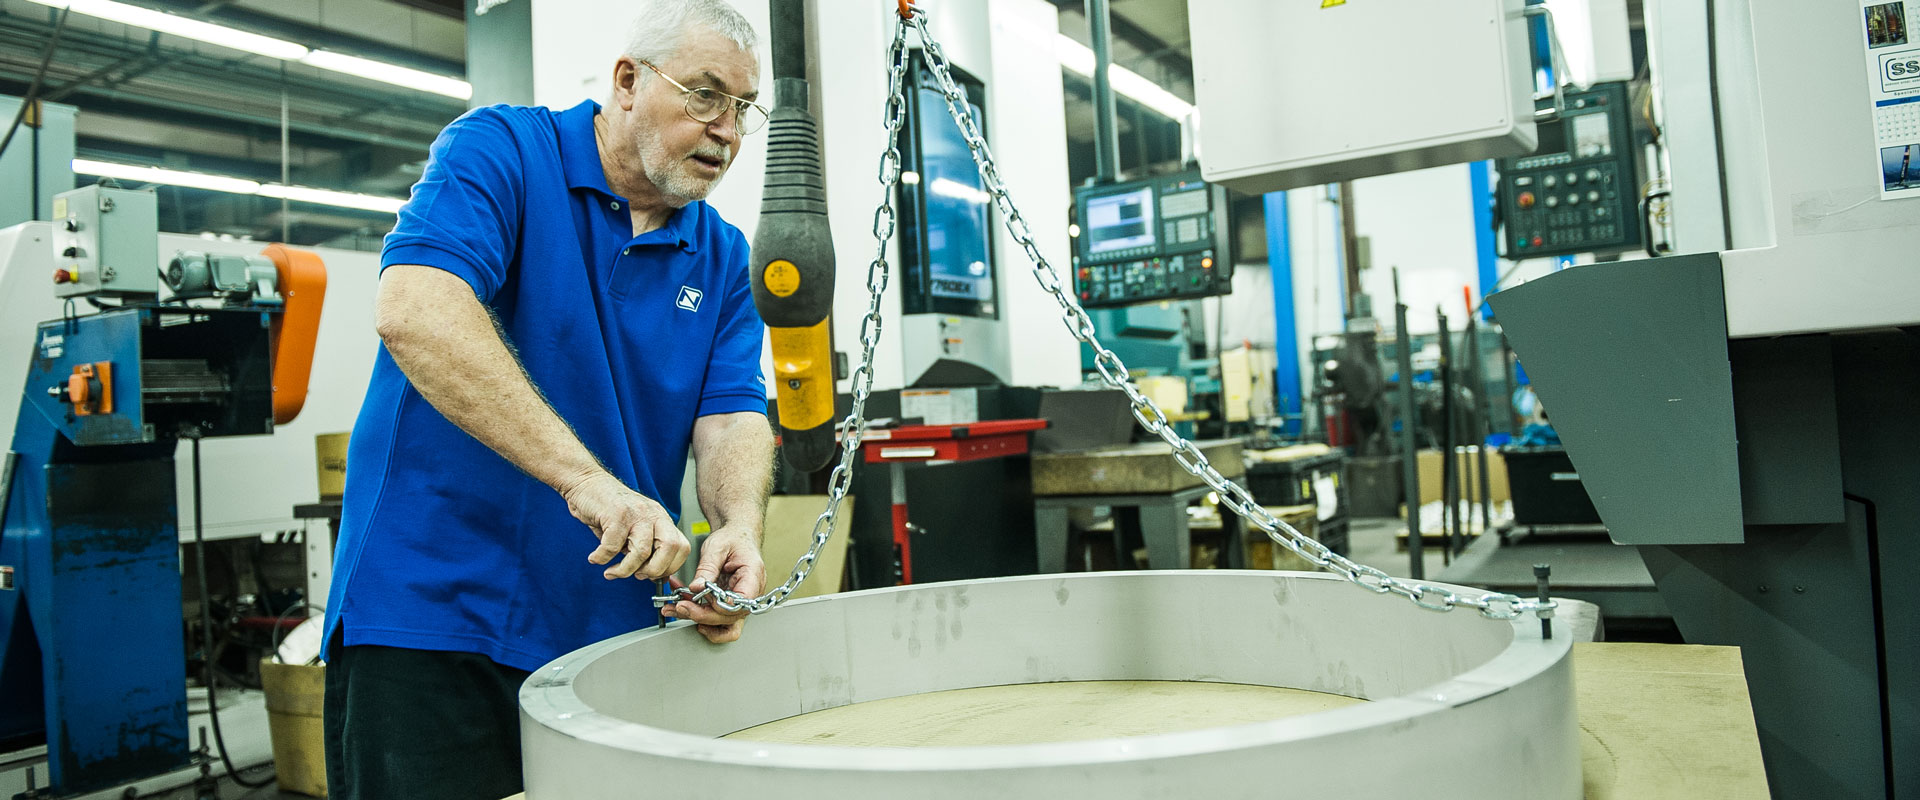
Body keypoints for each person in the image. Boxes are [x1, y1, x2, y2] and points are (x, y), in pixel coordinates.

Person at [321, 3, 774, 798]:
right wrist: (587, 481)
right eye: (705, 95)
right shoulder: (502, 151)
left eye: (742, 107)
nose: (727, 130)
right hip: (433, 620)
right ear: (629, 81)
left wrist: (737, 526)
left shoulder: (721, 253)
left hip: (607, 635)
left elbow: (731, 411)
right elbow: (415, 311)